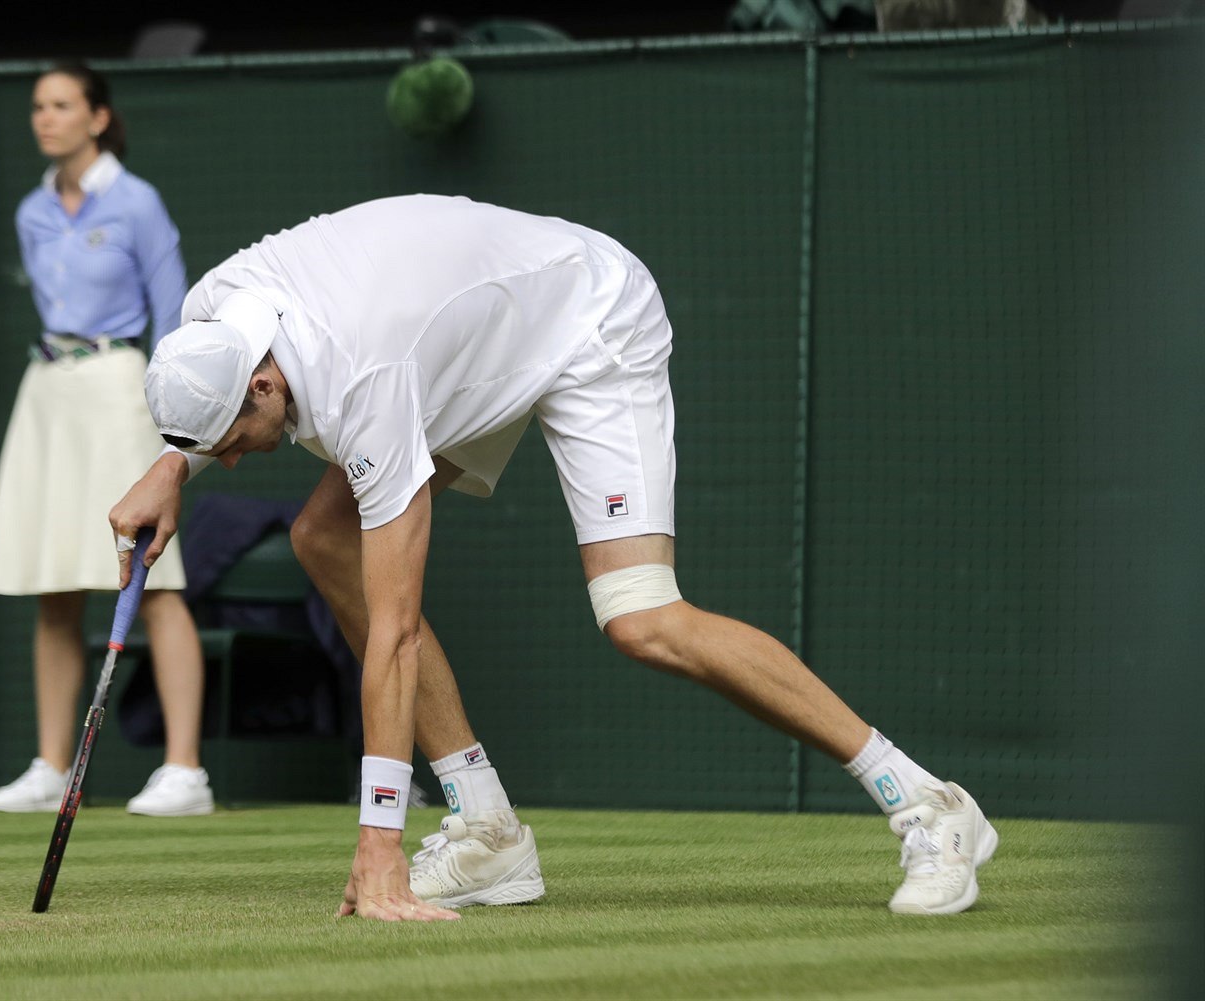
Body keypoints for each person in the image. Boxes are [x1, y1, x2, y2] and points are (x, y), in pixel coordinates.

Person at [107, 193, 998, 920]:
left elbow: (396, 635)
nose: (232, 462)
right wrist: (172, 467)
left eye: (234, 441)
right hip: (462, 333)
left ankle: (929, 801)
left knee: (641, 615)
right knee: (324, 537)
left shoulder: (362, 382)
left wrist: (378, 844)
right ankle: (488, 829)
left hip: (587, 318)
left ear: (265, 382)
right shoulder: (213, 317)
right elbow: (226, 409)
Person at [0, 62, 213, 818]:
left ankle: (185, 771)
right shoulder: (31, 211)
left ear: (98, 117)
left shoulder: (138, 202)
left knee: (152, 576)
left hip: (120, 386)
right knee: (56, 583)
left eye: (61, 105)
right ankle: (50, 766)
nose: (45, 118)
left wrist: (171, 413)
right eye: (38, 107)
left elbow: (172, 312)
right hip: (48, 390)